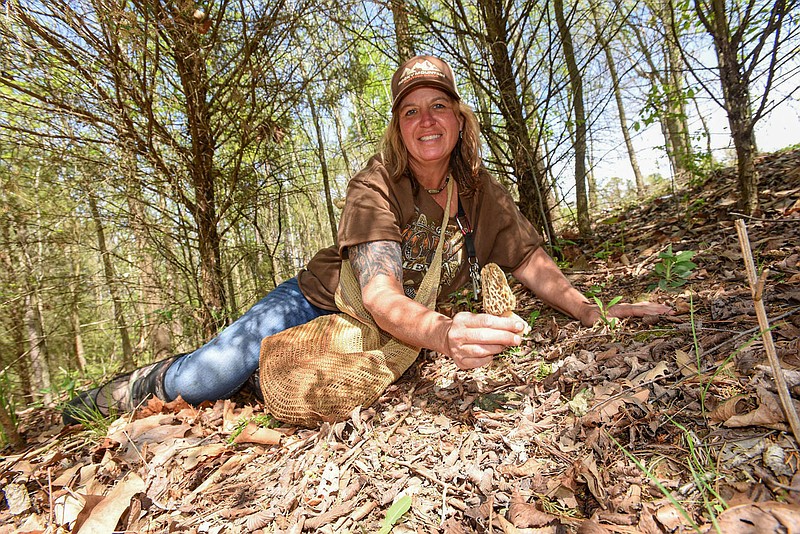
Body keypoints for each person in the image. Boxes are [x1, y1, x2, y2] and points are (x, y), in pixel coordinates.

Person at [62, 55, 671, 425]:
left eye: (439, 106)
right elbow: (379, 293)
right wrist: (442, 334)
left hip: (394, 324)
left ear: (460, 122)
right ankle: (131, 388)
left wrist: (597, 312)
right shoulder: (373, 186)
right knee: (211, 378)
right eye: (411, 111)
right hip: (322, 300)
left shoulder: (484, 191)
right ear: (398, 128)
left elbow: (530, 260)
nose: (426, 120)